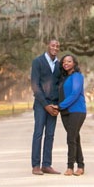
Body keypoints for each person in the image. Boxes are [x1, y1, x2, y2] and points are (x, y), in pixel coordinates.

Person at [30, 38, 62, 175]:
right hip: (40, 104)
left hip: (54, 105)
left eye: (57, 46)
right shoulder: (38, 62)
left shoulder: (59, 65)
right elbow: (35, 85)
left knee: (50, 135)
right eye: (53, 45)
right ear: (47, 46)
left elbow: (60, 86)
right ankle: (36, 165)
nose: (55, 48)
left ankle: (46, 164)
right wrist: (45, 105)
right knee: (38, 134)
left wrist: (58, 105)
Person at [57, 54, 86, 176]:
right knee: (75, 138)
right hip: (65, 112)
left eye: (69, 61)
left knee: (70, 138)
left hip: (77, 110)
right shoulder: (64, 79)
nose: (66, 63)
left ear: (74, 63)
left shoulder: (77, 76)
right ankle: (81, 165)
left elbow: (75, 94)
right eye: (64, 62)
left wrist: (60, 106)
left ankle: (70, 167)